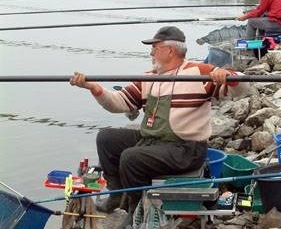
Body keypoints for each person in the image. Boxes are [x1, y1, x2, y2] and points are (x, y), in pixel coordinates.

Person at [70, 26, 248, 213]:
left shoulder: (199, 72)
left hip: (186, 149)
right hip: (153, 140)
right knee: (106, 138)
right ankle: (116, 194)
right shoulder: (149, 77)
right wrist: (95, 89)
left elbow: (242, 88)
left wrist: (229, 77)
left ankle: (137, 209)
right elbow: (119, 103)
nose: (151, 52)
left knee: (131, 158)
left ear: (170, 50)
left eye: (155, 48)